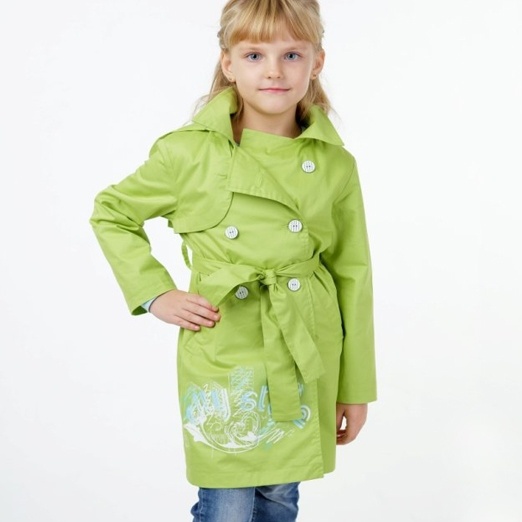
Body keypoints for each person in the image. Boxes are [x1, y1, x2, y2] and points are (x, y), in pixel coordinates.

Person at [90, 0, 376, 520]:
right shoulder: (189, 152)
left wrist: (355, 387)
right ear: (228, 63)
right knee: (227, 500)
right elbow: (113, 212)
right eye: (254, 55)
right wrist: (156, 293)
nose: (274, 71)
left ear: (317, 62)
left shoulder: (334, 163)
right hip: (225, 345)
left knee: (279, 495)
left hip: (304, 344)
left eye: (291, 54)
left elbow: (353, 274)